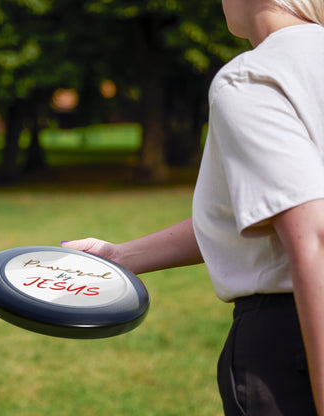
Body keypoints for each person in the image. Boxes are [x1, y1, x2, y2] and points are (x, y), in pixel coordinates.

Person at [61, 1, 324, 415]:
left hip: (293, 343)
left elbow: (314, 237)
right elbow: (262, 212)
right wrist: (120, 256)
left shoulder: (255, 78)